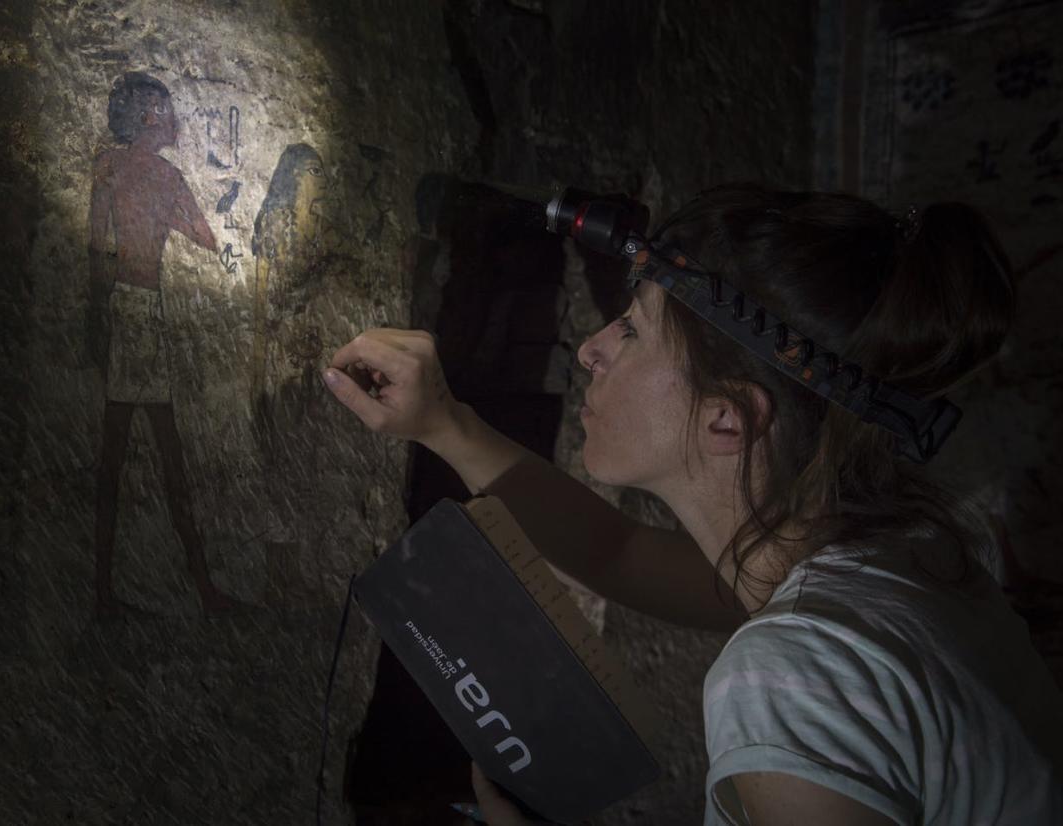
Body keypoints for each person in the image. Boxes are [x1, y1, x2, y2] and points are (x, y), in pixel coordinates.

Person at [321, 184, 1063, 825]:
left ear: (726, 420)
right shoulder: (890, 560)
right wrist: (446, 423)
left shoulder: (792, 672)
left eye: (634, 328)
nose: (590, 349)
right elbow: (622, 554)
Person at [88, 71, 237, 616]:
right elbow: (100, 247)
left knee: (130, 457)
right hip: (134, 314)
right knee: (148, 456)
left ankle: (177, 590)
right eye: (167, 109)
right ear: (148, 116)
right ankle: (193, 589)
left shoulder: (132, 171)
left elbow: (98, 249)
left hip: (132, 314)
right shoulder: (144, 173)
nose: (175, 119)